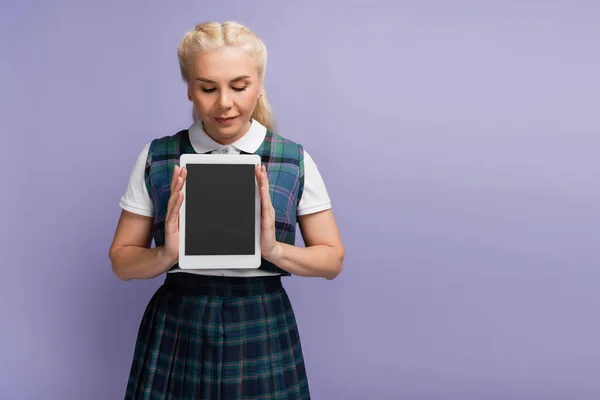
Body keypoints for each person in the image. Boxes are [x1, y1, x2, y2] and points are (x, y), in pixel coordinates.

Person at [109, 21, 344, 399]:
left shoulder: (293, 158)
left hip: (263, 319)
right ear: (188, 88)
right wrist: (167, 254)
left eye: (239, 86)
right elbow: (121, 261)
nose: (224, 103)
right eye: (207, 88)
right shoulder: (158, 155)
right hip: (178, 320)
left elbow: (332, 260)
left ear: (259, 84)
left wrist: (274, 251)